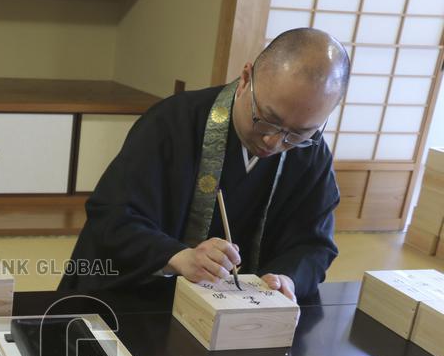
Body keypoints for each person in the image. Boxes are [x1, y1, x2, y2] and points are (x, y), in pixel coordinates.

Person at [60, 28, 350, 303]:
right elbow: (112, 214)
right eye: (267, 118)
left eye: (299, 132)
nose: (274, 141)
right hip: (144, 297)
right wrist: (177, 257)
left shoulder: (311, 153)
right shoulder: (172, 122)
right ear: (246, 78)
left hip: (243, 314)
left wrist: (287, 278)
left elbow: (314, 244)